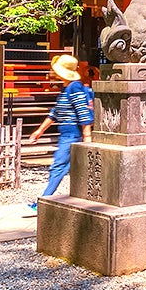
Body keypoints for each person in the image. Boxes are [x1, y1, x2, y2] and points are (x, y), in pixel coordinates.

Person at [28, 55, 92, 210]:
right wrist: (39, 131)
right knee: (69, 168)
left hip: (72, 135)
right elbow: (55, 113)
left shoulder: (74, 88)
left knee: (58, 167)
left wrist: (87, 137)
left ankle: (43, 202)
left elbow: (83, 113)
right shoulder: (66, 89)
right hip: (66, 135)